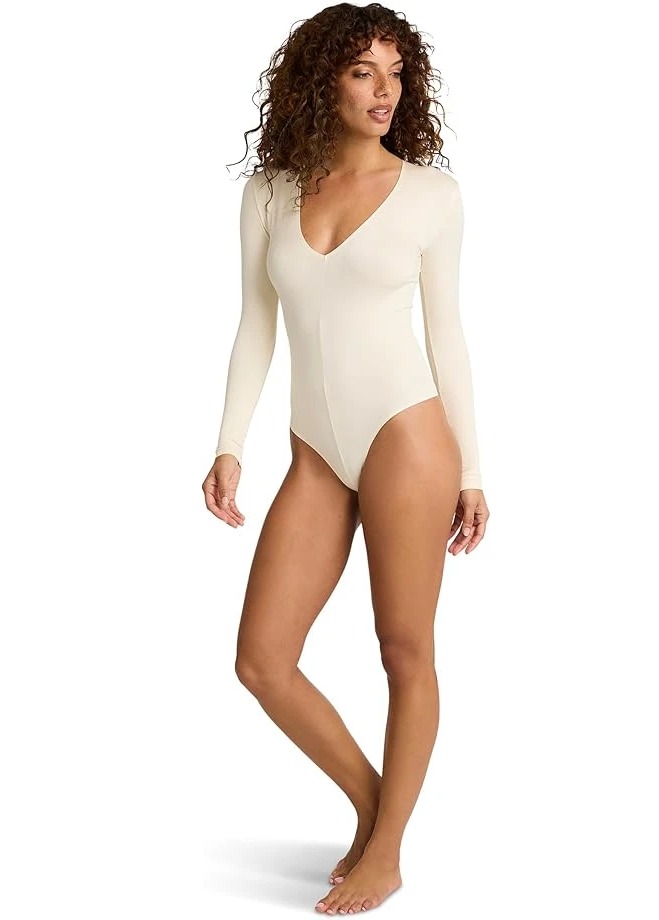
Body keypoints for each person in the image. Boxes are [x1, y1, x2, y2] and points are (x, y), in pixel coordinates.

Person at [202, 3, 490, 913]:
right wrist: (229, 444)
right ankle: (377, 809)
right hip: (313, 452)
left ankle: (386, 853)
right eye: (363, 70)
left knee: (404, 649)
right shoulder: (270, 191)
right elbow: (255, 323)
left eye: (396, 73)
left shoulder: (431, 195)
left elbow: (448, 338)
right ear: (321, 78)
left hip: (408, 435)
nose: (384, 90)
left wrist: (473, 470)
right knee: (262, 660)